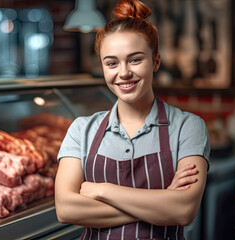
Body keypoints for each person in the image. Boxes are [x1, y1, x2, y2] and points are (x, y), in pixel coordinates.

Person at [54, 0, 210, 239]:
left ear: (155, 61)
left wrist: (100, 190)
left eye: (135, 59)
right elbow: (65, 209)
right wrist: (161, 205)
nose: (124, 72)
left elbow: (183, 210)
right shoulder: (81, 129)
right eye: (112, 63)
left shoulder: (188, 127)